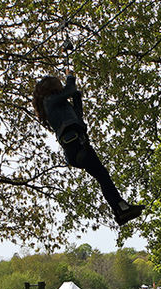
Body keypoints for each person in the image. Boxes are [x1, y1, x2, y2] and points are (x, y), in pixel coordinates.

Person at [32, 70, 143, 225]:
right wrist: (70, 77)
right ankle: (120, 208)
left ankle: (120, 209)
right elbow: (69, 90)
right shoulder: (49, 101)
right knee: (103, 175)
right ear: (51, 88)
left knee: (102, 176)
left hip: (77, 145)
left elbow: (78, 117)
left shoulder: (61, 105)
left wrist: (77, 99)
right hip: (75, 145)